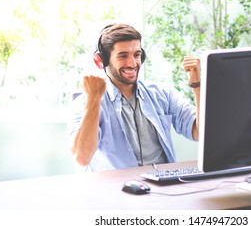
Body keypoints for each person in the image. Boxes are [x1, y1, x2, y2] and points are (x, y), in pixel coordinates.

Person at [69, 23, 200, 172]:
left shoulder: (162, 94)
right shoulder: (86, 102)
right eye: (123, 56)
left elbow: (199, 132)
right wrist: (93, 99)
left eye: (137, 55)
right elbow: (82, 157)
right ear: (102, 61)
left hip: (163, 186)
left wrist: (197, 85)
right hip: (116, 189)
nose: (132, 63)